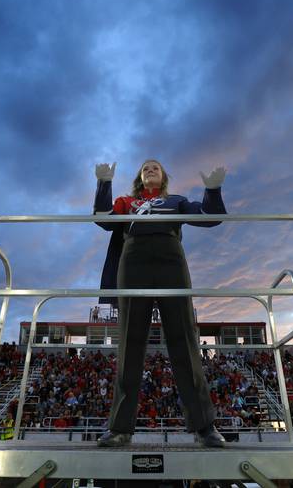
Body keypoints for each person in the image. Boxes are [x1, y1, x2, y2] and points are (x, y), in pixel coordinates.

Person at [93, 159, 227, 447]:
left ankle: (204, 426)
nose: (150, 170)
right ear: (140, 178)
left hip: (171, 264)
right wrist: (103, 184)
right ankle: (120, 428)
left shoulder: (176, 201)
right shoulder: (126, 202)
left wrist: (212, 190)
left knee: (185, 342)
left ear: (164, 175)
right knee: (129, 344)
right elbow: (103, 219)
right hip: (133, 265)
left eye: (155, 167)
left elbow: (209, 216)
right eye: (145, 168)